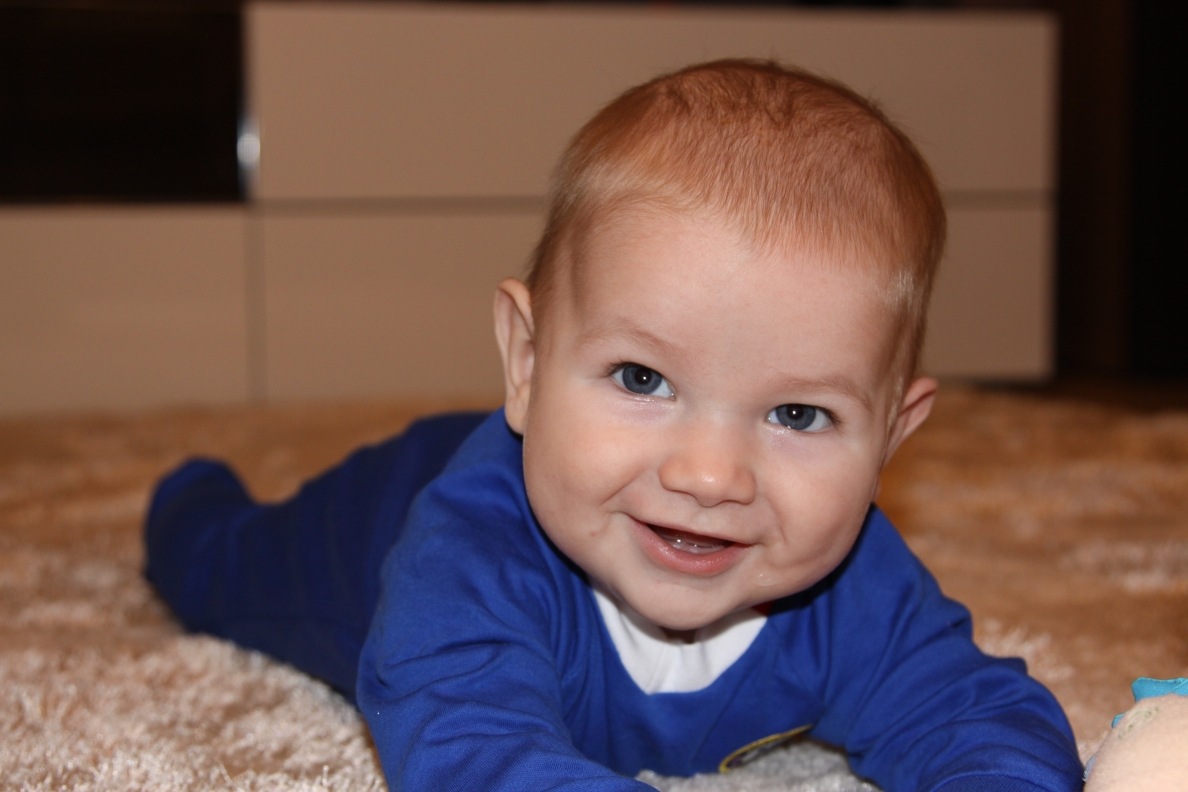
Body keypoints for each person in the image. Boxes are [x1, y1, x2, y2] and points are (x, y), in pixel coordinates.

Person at [145, 59, 1084, 790]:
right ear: (527, 363)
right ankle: (186, 498)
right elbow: (476, 751)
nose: (709, 475)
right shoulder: (467, 559)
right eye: (643, 378)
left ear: (890, 437)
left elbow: (980, 720)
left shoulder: (858, 589)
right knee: (216, 566)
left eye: (797, 413)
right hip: (366, 525)